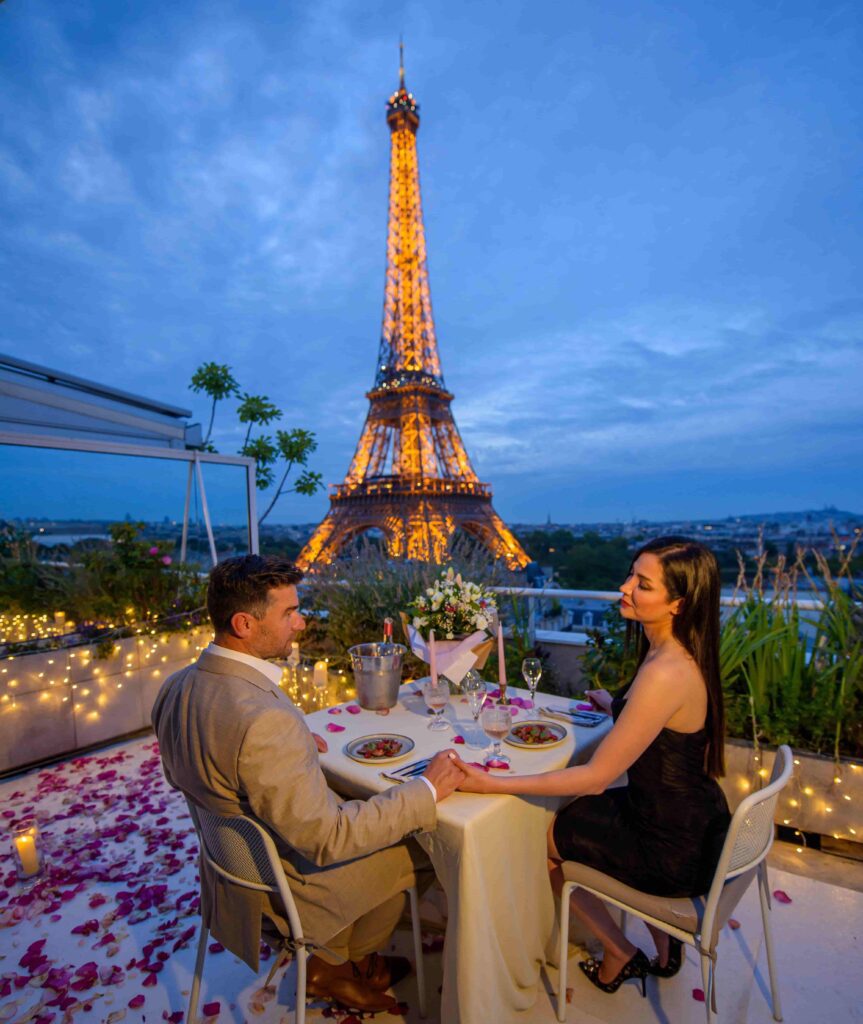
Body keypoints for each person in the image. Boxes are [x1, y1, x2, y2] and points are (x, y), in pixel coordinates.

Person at [152, 555, 464, 1013]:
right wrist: (428, 789)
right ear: (243, 624)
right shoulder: (263, 719)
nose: (300, 623)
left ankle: (346, 958)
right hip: (288, 887)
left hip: (233, 871)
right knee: (424, 844)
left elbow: (203, 762)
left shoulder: (177, 686)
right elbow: (327, 839)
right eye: (289, 613)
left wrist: (290, 744)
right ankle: (336, 961)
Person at [454, 537, 730, 997]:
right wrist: (618, 707)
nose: (625, 587)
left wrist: (490, 782)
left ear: (678, 604)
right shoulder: (678, 651)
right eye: (631, 574)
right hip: (695, 822)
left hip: (669, 847)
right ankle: (664, 943)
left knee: (539, 838)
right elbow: (664, 729)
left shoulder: (665, 670)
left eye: (643, 584)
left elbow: (597, 777)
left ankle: (619, 949)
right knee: (574, 811)